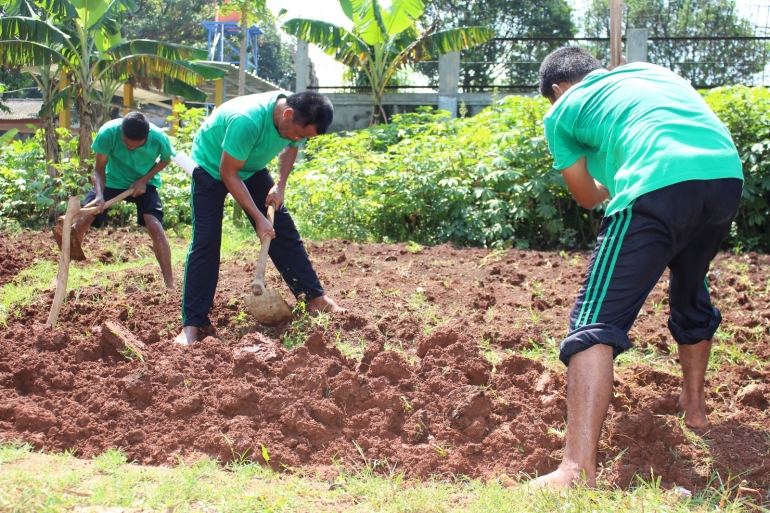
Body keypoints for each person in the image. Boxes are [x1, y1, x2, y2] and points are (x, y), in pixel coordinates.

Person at [532, 47, 743, 489]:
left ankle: (575, 471)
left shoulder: (561, 112)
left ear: (556, 89)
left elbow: (588, 197)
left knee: (593, 322)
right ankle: (695, 409)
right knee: (690, 289)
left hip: (656, 182)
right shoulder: (648, 73)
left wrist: (611, 179)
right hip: (724, 175)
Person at [175, 90, 344, 345]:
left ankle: (315, 299)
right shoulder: (247, 120)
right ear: (288, 115)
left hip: (250, 167)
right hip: (212, 167)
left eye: (304, 137)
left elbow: (292, 146)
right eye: (299, 133)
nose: (299, 139)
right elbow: (228, 173)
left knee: (282, 228)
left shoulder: (295, 122)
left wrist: (281, 184)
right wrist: (258, 218)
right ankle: (192, 325)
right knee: (206, 241)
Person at [75, 111, 176, 289]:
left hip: (144, 183)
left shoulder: (159, 138)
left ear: (146, 137)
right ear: (121, 131)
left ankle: (170, 285)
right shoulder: (108, 133)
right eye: (126, 143)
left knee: (155, 228)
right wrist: (99, 195)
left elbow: (166, 159)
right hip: (112, 181)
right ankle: (68, 273)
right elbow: (99, 170)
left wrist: (144, 180)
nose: (130, 148)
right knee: (81, 223)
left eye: (135, 146)